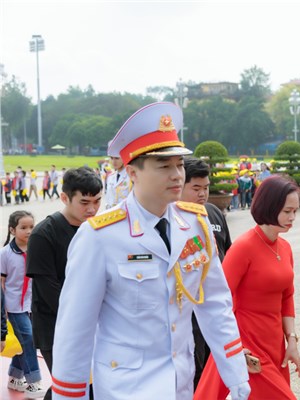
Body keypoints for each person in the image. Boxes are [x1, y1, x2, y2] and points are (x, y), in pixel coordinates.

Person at [50, 102, 249, 400]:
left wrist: (236, 376)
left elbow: (215, 305)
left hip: (181, 382)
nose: (177, 175)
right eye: (164, 166)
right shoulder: (99, 237)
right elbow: (75, 330)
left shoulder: (195, 225)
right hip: (125, 389)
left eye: (179, 164)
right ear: (133, 172)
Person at [196, 175, 300, 400]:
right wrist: (233, 347)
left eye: (295, 211)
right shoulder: (243, 247)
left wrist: (291, 340)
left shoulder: (285, 247)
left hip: (275, 342)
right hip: (248, 343)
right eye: (287, 211)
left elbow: (287, 297)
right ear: (269, 206)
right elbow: (219, 300)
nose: (293, 217)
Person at [26, 167, 103, 400]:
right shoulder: (43, 234)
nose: (92, 209)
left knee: (90, 388)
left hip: (95, 325)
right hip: (55, 326)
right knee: (70, 386)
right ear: (64, 198)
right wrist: (84, 320)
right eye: (84, 202)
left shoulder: (98, 230)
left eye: (97, 201)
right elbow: (48, 290)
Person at [181, 157, 233, 387]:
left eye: (206, 187)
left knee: (216, 366)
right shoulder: (174, 220)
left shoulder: (213, 213)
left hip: (214, 304)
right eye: (196, 188)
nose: (202, 194)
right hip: (188, 310)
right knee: (194, 367)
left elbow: (227, 252)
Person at [1, 210, 45, 398]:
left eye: (31, 227)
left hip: (31, 304)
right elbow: (1, 283)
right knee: (29, 340)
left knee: (24, 340)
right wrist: (3, 311)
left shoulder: (36, 249)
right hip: (13, 307)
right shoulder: (5, 254)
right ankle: (34, 383)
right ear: (12, 230)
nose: (29, 231)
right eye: (23, 227)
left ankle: (15, 377)